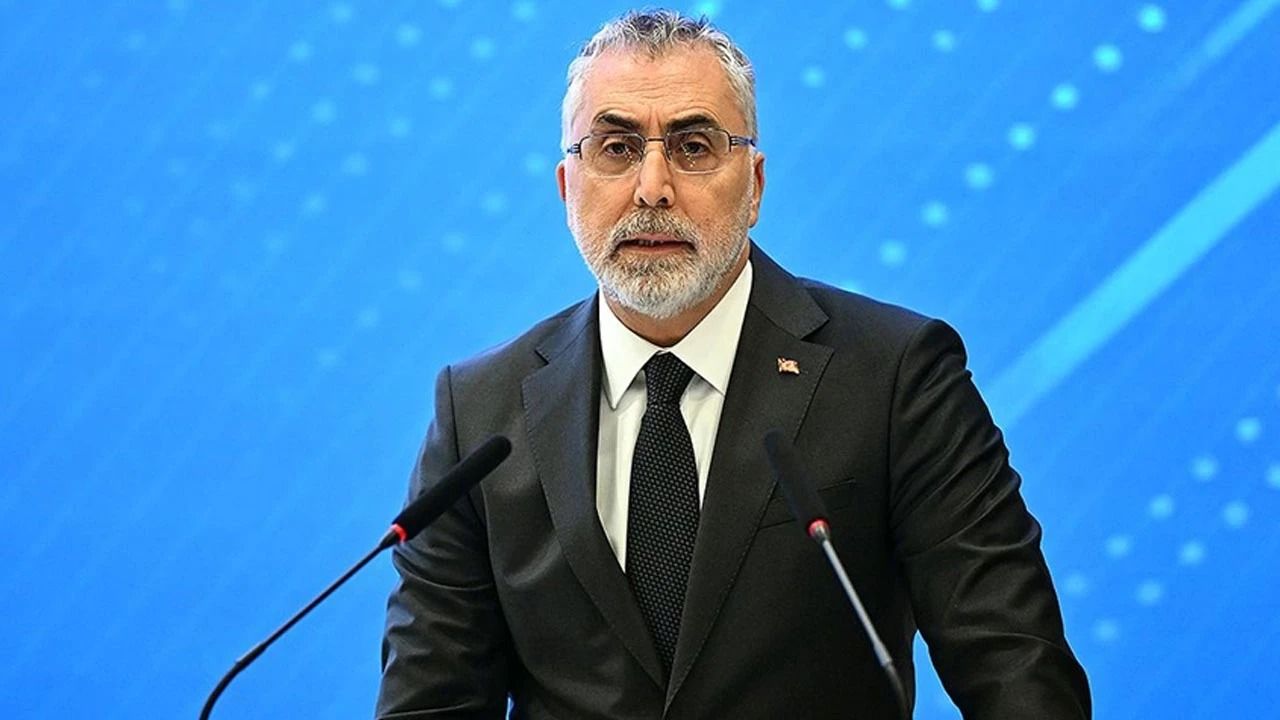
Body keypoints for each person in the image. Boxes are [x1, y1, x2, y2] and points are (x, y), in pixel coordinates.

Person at [377, 9, 1090, 719]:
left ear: (754, 186)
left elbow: (1017, 671)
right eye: (617, 148)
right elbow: (429, 702)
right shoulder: (480, 413)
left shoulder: (896, 378)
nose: (652, 188)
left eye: (693, 147)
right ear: (568, 187)